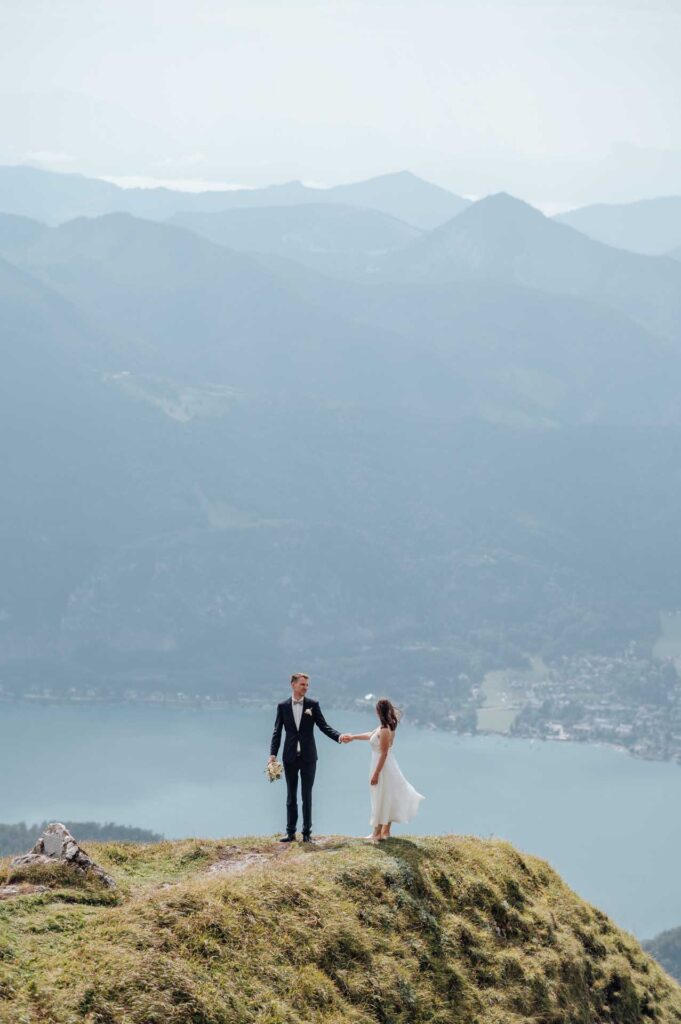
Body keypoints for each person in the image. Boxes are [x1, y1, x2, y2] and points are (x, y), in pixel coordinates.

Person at [269, 673, 351, 843]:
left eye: (307, 685)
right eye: (302, 684)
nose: (305, 687)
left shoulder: (313, 705)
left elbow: (323, 726)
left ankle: (307, 833)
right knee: (291, 796)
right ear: (293, 685)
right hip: (290, 757)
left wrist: (339, 736)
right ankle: (290, 833)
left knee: (307, 795)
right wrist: (273, 754)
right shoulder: (282, 706)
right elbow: (277, 732)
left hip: (309, 757)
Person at [345, 697, 424, 840]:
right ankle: (383, 832)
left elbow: (384, 753)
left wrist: (376, 773)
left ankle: (376, 833)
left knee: (380, 797)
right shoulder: (383, 727)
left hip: (382, 767)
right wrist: (353, 737)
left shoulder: (385, 730)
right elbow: (370, 735)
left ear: (378, 712)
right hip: (384, 765)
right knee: (385, 796)